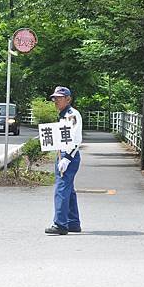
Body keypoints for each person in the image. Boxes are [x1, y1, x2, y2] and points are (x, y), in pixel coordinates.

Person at [45, 86, 83, 235]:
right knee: (68, 189)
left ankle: (60, 224)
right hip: (65, 154)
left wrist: (67, 158)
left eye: (60, 98)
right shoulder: (64, 114)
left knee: (61, 188)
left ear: (68, 99)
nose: (56, 101)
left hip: (69, 156)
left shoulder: (71, 115)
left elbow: (76, 139)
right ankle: (73, 222)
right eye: (55, 98)